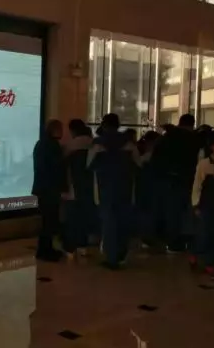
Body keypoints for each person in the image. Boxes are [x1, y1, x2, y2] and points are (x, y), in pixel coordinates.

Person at [88, 113, 140, 270]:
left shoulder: (98, 143)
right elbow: (138, 163)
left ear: (103, 125)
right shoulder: (129, 143)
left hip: (105, 188)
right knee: (123, 221)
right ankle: (121, 254)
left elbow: (89, 165)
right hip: (125, 188)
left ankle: (111, 258)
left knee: (109, 223)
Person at [150, 114, 200, 253]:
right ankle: (176, 242)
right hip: (182, 179)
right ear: (192, 124)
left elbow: (155, 158)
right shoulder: (192, 139)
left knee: (168, 210)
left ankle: (162, 239)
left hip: (163, 178)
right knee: (178, 211)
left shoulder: (166, 137)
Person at [189, 131, 214, 277]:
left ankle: (210, 262)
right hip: (206, 204)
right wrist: (195, 204)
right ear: (213, 146)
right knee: (204, 233)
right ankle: (195, 253)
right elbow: (197, 184)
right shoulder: (204, 164)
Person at [32, 119, 66, 261]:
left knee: (47, 220)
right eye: (60, 129)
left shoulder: (40, 143)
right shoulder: (53, 146)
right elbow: (57, 168)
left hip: (42, 188)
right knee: (50, 221)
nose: (62, 132)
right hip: (50, 188)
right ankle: (45, 251)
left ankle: (45, 249)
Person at [63, 119, 96, 260]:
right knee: (84, 217)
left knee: (71, 219)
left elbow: (63, 167)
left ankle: (70, 249)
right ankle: (83, 247)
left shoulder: (70, 146)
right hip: (90, 188)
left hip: (73, 188)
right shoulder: (93, 144)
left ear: (73, 130)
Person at [136, 130, 161, 248]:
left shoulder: (143, 157)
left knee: (145, 212)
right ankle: (149, 236)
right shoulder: (155, 157)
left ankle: (146, 237)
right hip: (153, 189)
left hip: (144, 188)